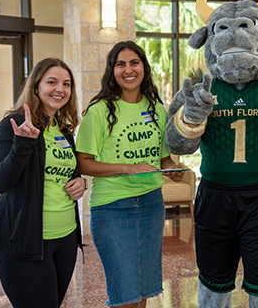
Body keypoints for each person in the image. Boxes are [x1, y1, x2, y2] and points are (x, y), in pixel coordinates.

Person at [76, 41, 184, 308]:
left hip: (151, 204)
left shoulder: (157, 109)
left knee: (143, 288)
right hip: (112, 208)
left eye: (134, 63)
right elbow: (83, 163)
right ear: (112, 70)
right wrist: (127, 168)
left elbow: (163, 157)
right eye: (120, 64)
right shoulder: (99, 110)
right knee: (124, 291)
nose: (128, 70)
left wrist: (170, 168)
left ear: (144, 68)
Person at [0, 58, 86, 308]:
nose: (60, 89)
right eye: (52, 82)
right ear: (36, 86)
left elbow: (61, 172)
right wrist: (22, 145)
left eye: (66, 84)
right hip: (25, 240)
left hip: (66, 238)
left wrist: (80, 182)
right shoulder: (14, 125)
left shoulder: (64, 131)